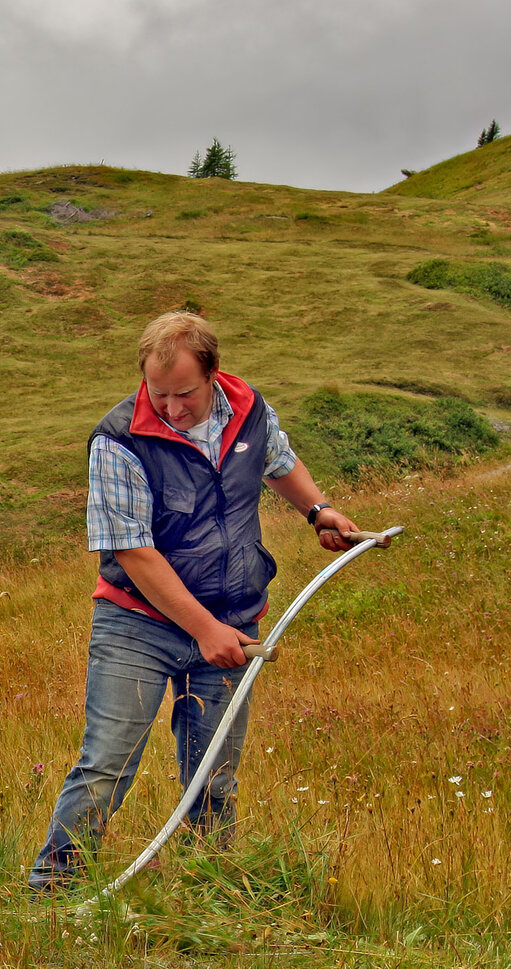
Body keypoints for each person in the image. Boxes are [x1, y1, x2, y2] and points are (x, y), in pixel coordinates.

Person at [28, 311, 359, 892]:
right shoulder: (118, 439)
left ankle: (210, 888)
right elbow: (133, 552)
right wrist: (205, 630)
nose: (173, 409)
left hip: (233, 621)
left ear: (213, 375)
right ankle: (53, 892)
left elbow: (277, 461)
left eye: (185, 394)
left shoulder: (249, 410)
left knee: (213, 775)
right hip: (138, 627)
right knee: (107, 765)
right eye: (160, 395)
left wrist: (317, 511)